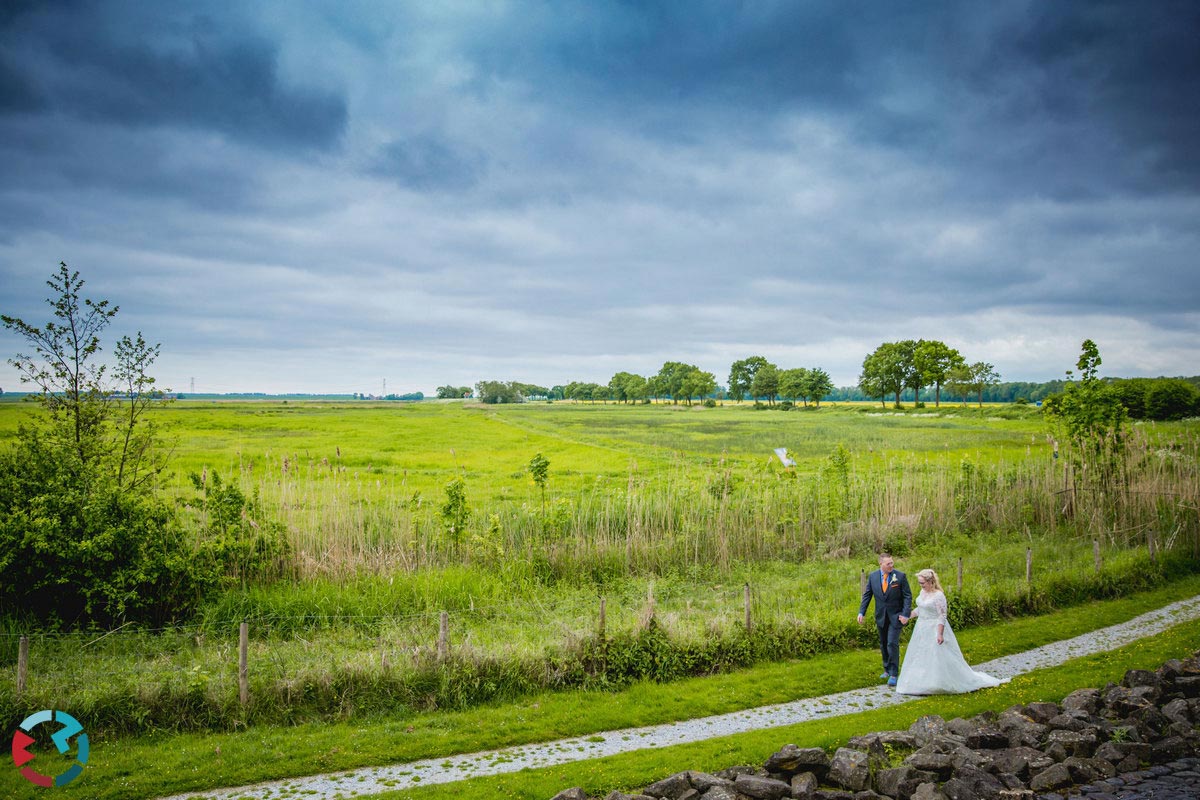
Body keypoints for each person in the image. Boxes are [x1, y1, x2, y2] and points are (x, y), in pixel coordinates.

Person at [895, 568, 1004, 695]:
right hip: (921, 628)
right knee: (920, 654)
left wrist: (940, 634)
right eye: (920, 583)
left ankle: (940, 682)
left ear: (930, 582)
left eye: (923, 583)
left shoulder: (939, 596)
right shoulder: (923, 592)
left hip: (934, 627)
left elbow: (942, 616)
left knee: (936, 655)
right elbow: (920, 609)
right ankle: (921, 682)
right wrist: (907, 616)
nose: (921, 585)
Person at [857, 553, 911, 687]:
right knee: (883, 643)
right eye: (888, 564)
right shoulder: (873, 577)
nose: (891, 565)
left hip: (896, 616)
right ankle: (886, 669)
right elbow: (867, 595)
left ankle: (894, 674)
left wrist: (905, 614)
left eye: (892, 563)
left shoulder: (900, 576)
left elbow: (907, 596)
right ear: (881, 564)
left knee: (892, 643)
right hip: (881, 615)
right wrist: (861, 612)